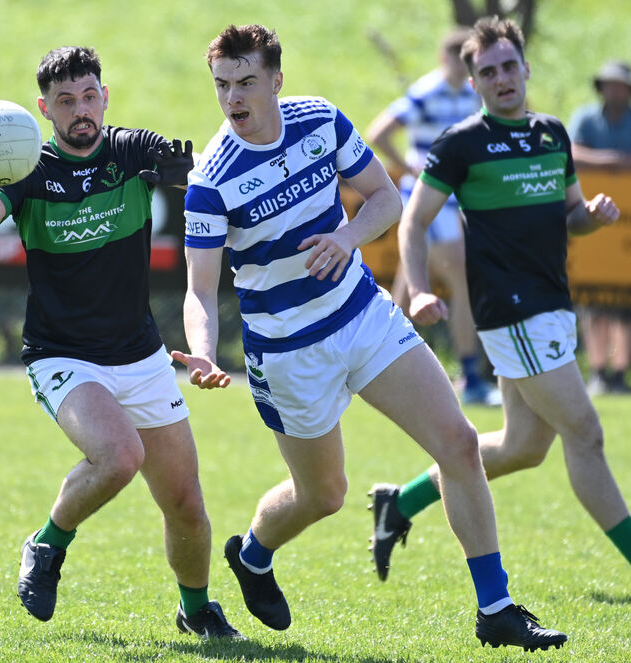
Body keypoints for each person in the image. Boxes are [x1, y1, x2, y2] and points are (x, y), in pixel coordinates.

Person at [174, 23, 566, 651]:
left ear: (276, 80)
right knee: (324, 495)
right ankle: (253, 555)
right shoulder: (211, 179)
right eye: (222, 85)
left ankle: (495, 608)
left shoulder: (319, 121)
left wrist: (347, 238)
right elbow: (199, 290)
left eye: (246, 82)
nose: (233, 98)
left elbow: (385, 198)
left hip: (363, 315)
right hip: (288, 352)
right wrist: (201, 351)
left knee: (460, 443)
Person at [0, 46, 242, 639]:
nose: (80, 110)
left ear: (104, 97)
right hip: (63, 356)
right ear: (44, 109)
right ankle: (47, 544)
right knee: (120, 456)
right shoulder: (28, 170)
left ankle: (196, 609)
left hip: (141, 354)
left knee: (185, 502)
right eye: (65, 101)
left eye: (88, 97)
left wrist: (193, 174)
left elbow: (202, 170)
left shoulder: (130, 151)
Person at [372, 17, 631, 592]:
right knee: (585, 432)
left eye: (509, 65)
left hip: (552, 302)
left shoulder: (552, 134)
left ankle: (400, 502)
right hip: (511, 312)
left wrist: (593, 216)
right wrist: (419, 288)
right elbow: (413, 223)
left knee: (523, 448)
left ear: (525, 68)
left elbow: (571, 214)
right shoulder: (461, 144)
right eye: (488, 72)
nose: (502, 77)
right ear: (474, 84)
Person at [366, 27, 500, 406]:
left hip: (451, 202)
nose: (463, 66)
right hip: (427, 201)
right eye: (459, 58)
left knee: (408, 287)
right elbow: (379, 132)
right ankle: (470, 376)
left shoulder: (473, 93)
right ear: (445, 59)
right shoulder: (428, 91)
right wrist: (409, 168)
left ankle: (378, 369)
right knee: (460, 279)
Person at [569, 60, 631, 396]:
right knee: (593, 302)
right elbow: (570, 152)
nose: (615, 90)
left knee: (623, 305)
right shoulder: (585, 118)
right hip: (592, 223)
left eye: (621, 84)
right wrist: (611, 161)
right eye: (610, 84)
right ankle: (597, 371)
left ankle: (620, 372)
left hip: (626, 228)